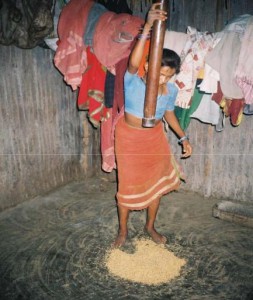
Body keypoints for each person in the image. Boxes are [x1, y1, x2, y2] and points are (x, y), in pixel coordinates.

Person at [113, 3, 192, 248]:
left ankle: (150, 226)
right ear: (149, 66)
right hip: (129, 138)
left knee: (155, 185)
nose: (164, 79)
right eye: (161, 73)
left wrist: (182, 137)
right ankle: (123, 232)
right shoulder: (133, 80)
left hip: (154, 138)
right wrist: (147, 25)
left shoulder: (169, 90)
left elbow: (169, 114)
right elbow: (133, 63)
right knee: (127, 186)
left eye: (169, 75)